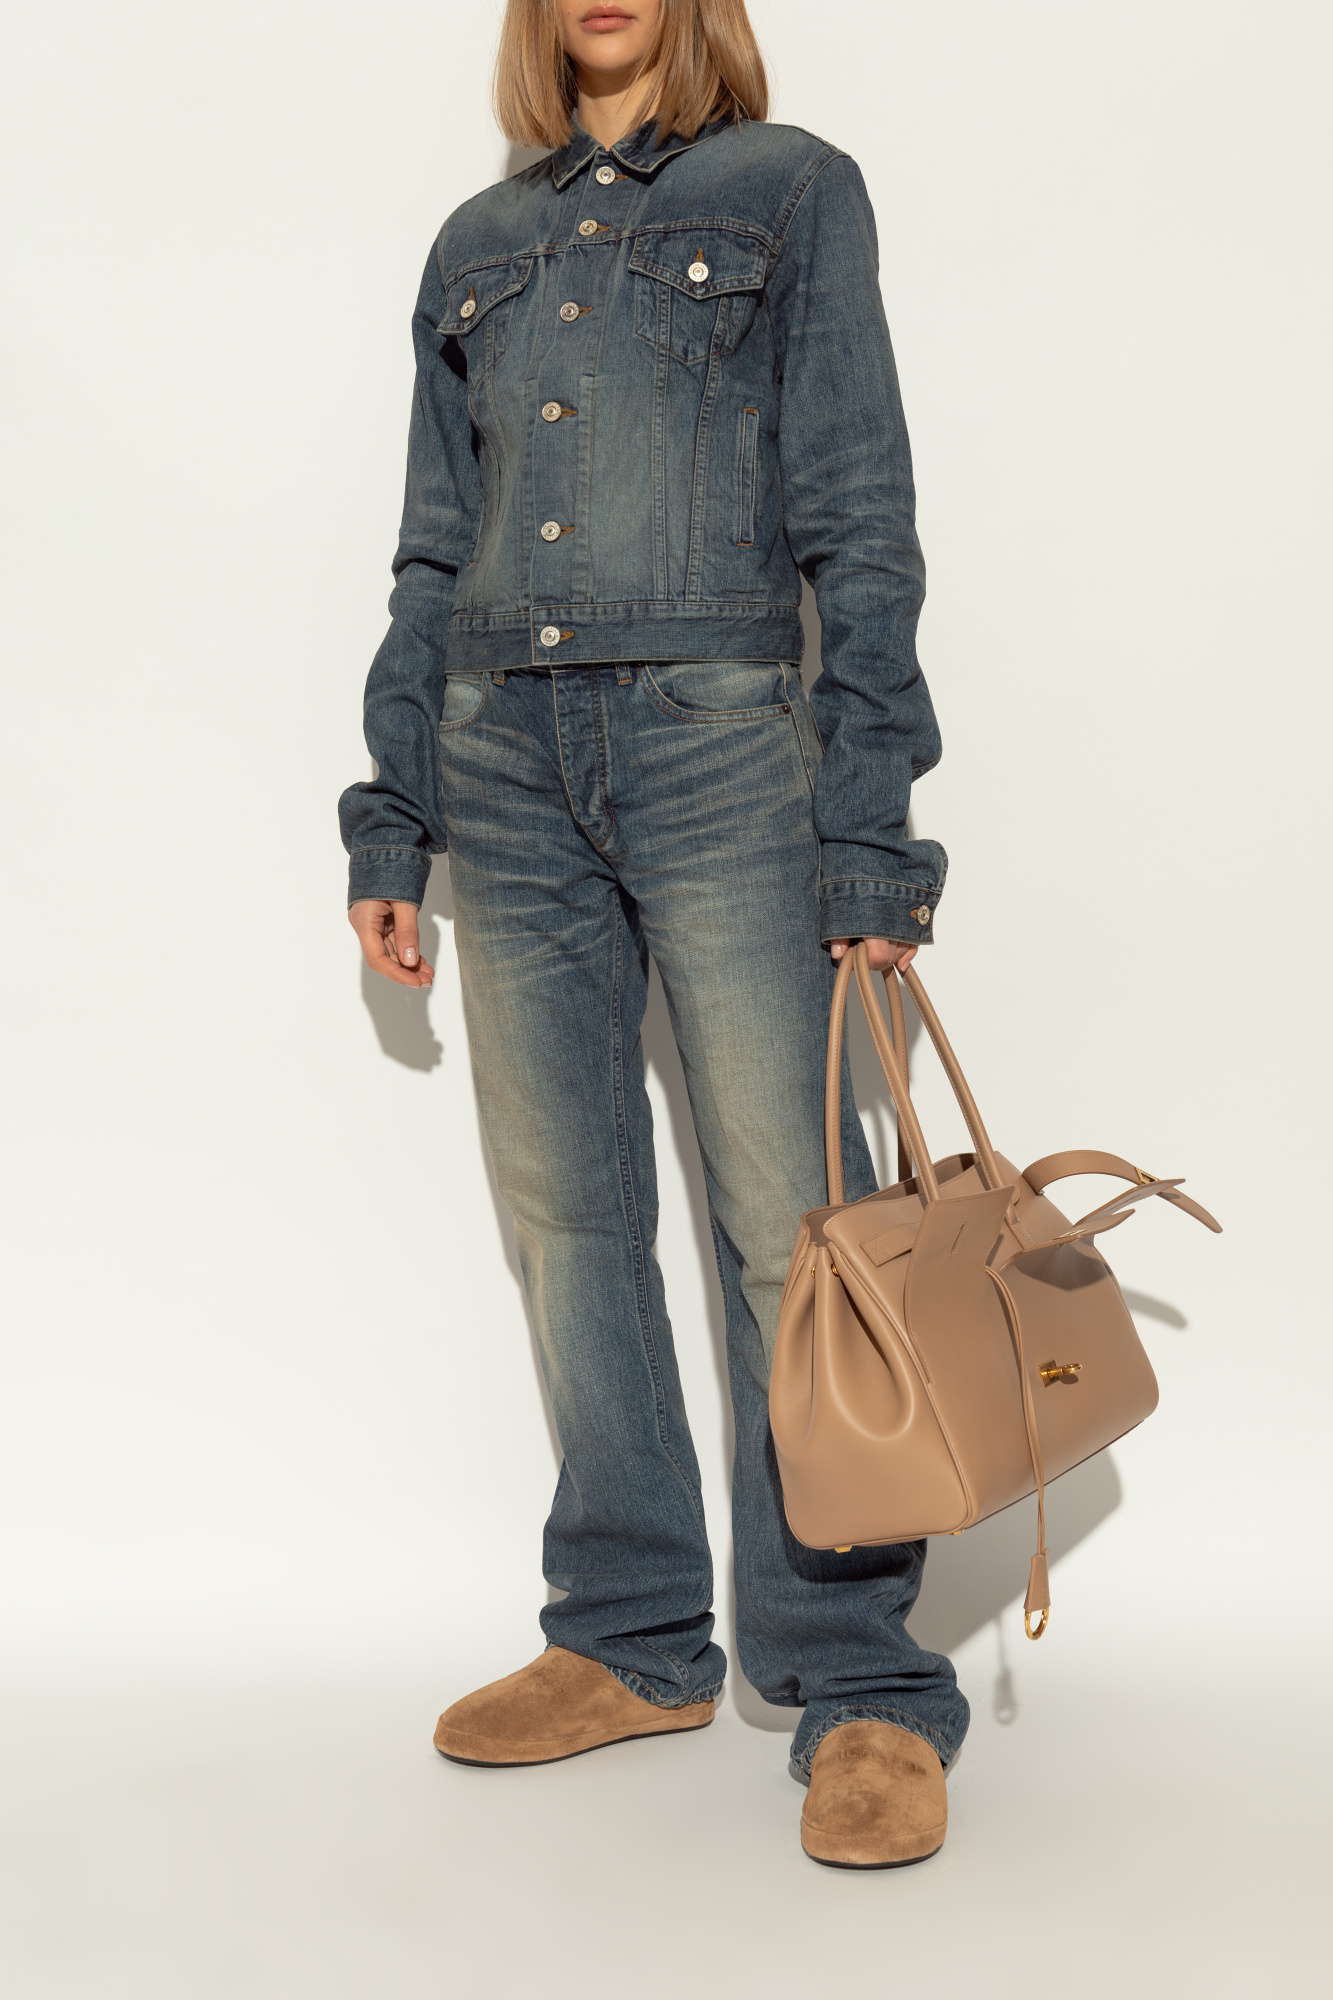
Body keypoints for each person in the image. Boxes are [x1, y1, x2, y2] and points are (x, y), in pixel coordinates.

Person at [340, 0, 967, 1869]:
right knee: (565, 1221)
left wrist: (870, 839)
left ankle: (854, 1675)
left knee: (798, 1235)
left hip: (722, 753)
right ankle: (626, 1637)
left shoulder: (790, 190)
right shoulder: (477, 240)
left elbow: (859, 521)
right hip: (500, 759)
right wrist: (393, 807)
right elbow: (432, 548)